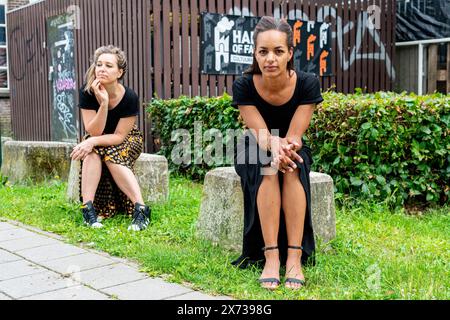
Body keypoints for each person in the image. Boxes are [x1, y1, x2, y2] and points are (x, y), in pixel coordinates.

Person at [232, 16, 324, 290]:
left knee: (292, 166)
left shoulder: (307, 83)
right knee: (267, 166)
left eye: (278, 51)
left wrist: (285, 152)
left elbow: (295, 135)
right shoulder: (244, 84)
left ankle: (294, 257)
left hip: (292, 146)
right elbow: (260, 133)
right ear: (255, 54)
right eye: (263, 51)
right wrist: (275, 151)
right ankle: (271, 257)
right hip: (255, 145)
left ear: (289, 54)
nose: (270, 58)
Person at [71, 45, 150, 231]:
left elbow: (120, 136)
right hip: (99, 137)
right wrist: (104, 103)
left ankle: (141, 209)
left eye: (108, 65)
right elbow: (95, 132)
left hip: (127, 138)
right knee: (93, 152)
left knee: (105, 150)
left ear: (119, 72)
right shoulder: (87, 92)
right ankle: (88, 209)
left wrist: (90, 141)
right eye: (99, 64)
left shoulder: (129, 97)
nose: (102, 69)